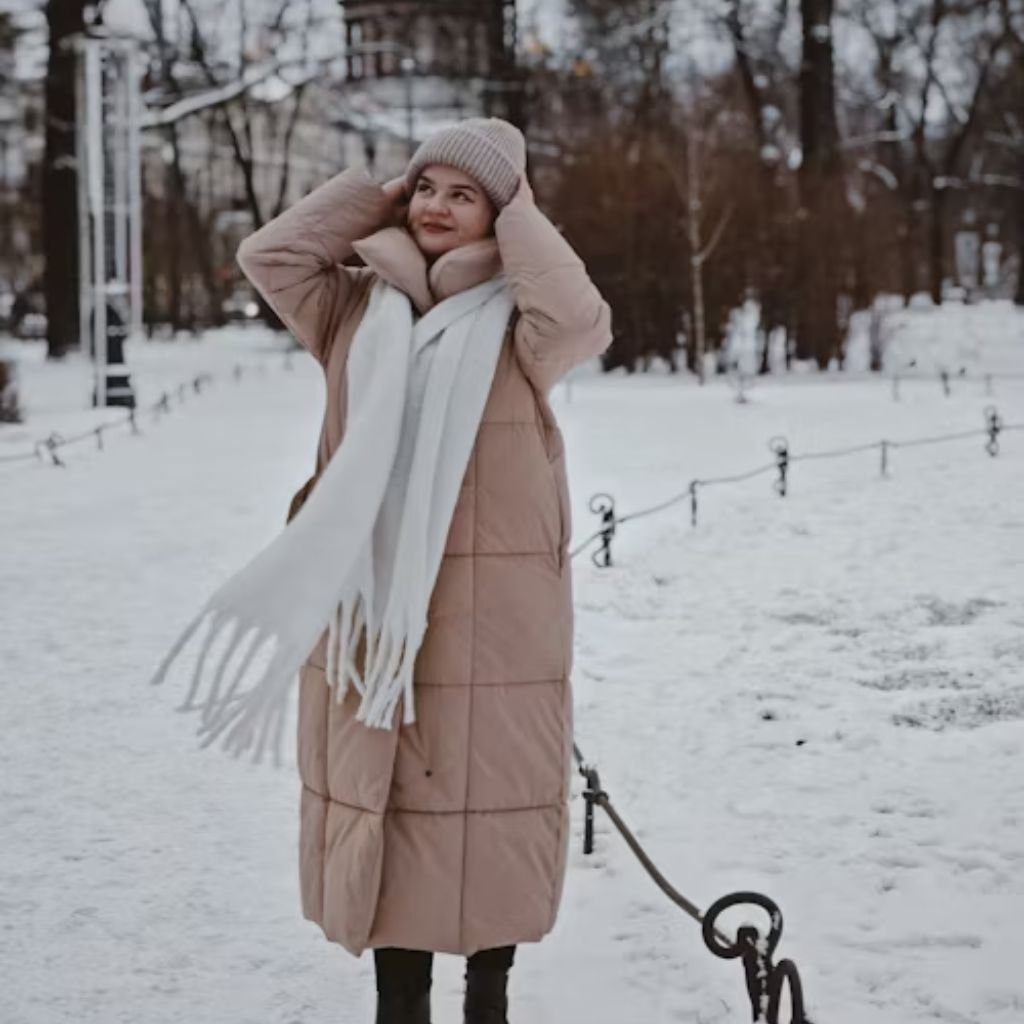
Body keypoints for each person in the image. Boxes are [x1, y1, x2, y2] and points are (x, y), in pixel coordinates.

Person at [235, 118, 612, 1023]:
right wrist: (375, 194)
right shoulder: (352, 308)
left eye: (466, 194)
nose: (440, 207)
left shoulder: (525, 327)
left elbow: (583, 318)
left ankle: (490, 999)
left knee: (492, 808)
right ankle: (397, 1005)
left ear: (504, 212)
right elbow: (269, 256)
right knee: (390, 809)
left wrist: (519, 214)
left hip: (495, 626)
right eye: (428, 188)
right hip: (373, 617)